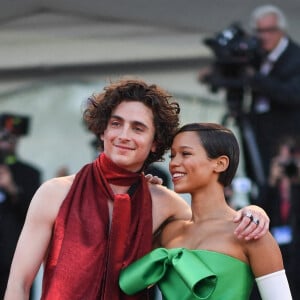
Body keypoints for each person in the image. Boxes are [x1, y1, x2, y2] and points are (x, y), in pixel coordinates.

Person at [4, 79, 269, 300]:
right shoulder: (54, 193)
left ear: (155, 143)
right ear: (102, 131)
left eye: (138, 128)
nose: (123, 135)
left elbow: (213, 227)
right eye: (116, 124)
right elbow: (18, 284)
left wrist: (253, 211)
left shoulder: (167, 203)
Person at [119, 123, 292, 299]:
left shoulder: (250, 232)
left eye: (185, 154)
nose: (174, 163)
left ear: (220, 163)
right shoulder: (167, 231)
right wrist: (144, 200)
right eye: (173, 156)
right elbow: (121, 278)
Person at [245, 4, 300, 189]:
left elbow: (292, 94)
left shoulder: (296, 56)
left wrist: (256, 78)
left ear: (282, 30)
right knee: (258, 177)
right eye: (259, 31)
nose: (264, 36)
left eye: (270, 30)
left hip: (286, 135)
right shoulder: (256, 54)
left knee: (282, 182)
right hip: (258, 128)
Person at [0, 113, 41, 299]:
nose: (8, 143)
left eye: (12, 138)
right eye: (4, 137)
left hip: (14, 261)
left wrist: (12, 188)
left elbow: (36, 216)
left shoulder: (29, 173)